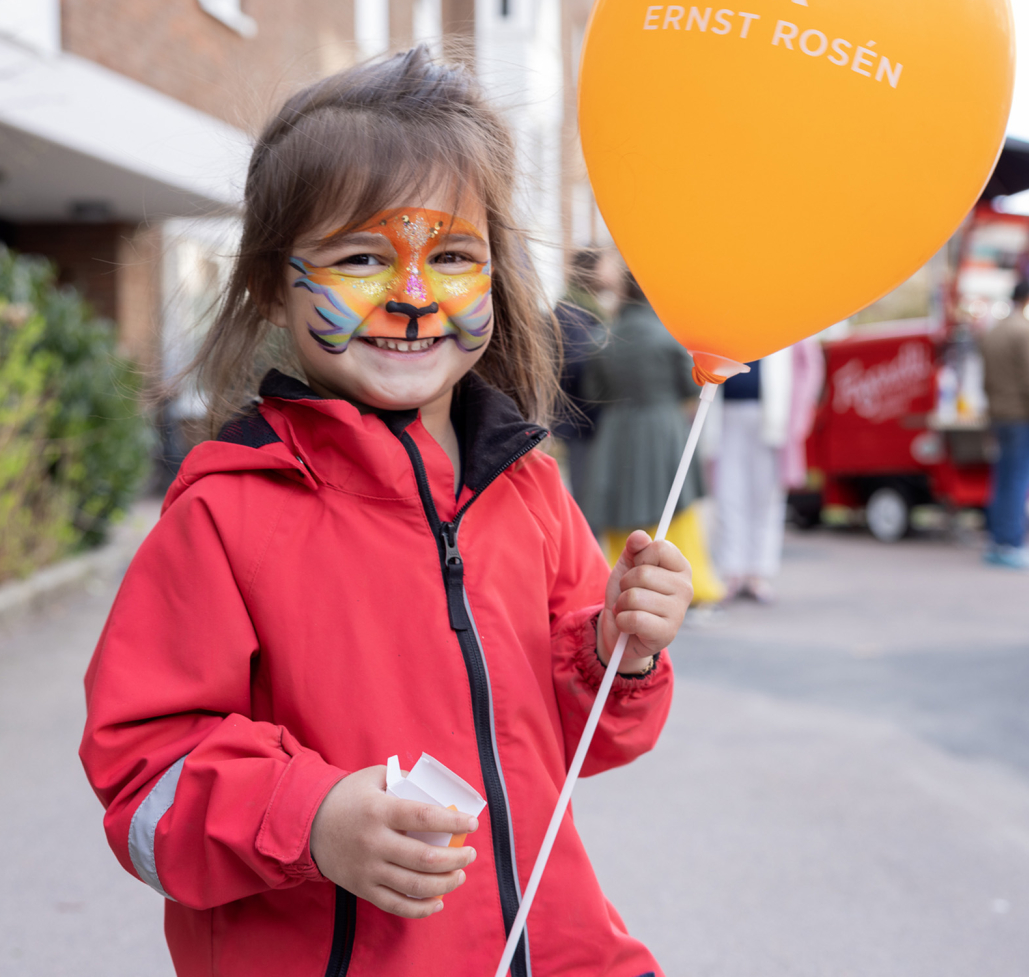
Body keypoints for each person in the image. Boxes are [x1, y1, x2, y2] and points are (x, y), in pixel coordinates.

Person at [78, 48, 691, 977]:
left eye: (451, 257)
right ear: (268, 285)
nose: (412, 296)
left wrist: (620, 654)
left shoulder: (527, 489)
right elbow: (144, 786)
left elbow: (572, 743)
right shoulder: (226, 514)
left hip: (551, 949)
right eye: (363, 258)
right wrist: (313, 822)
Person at [581, 270, 725, 605]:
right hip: (663, 428)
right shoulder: (667, 335)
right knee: (674, 506)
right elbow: (693, 384)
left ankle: (626, 584)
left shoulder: (604, 337)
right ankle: (692, 586)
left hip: (616, 433)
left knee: (621, 509)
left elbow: (592, 392)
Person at [978, 278, 1029, 570]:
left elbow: (985, 381)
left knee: (1002, 480)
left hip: (1000, 416)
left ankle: (999, 541)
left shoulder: (993, 332)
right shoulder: (1026, 332)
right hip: (1025, 416)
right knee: (1019, 481)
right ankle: (1013, 544)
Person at [713, 347, 794, 602]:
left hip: (770, 418)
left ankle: (759, 572)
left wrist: (797, 421)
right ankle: (732, 570)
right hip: (724, 414)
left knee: (765, 496)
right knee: (728, 494)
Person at [552, 248, 607, 504]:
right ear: (590, 270)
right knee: (588, 499)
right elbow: (578, 367)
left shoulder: (583, 308)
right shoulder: (575, 313)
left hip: (582, 421)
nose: (612, 273)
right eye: (606, 266)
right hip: (584, 423)